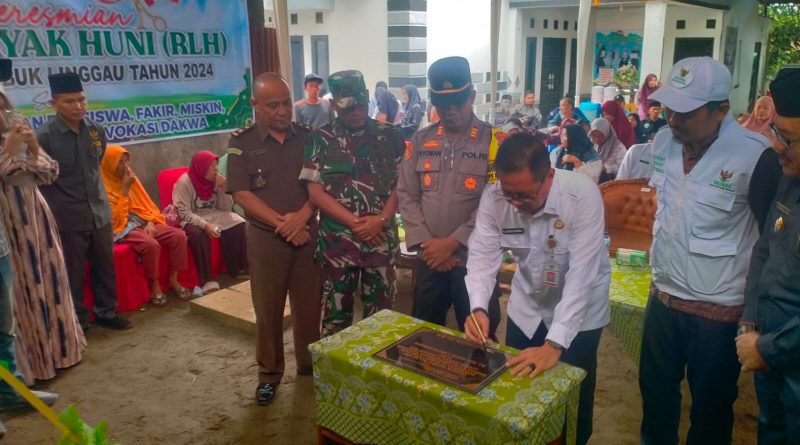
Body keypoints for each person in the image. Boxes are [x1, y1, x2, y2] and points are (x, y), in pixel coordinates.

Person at [639, 56, 783, 445]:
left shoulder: (757, 156)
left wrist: (752, 315)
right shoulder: (665, 142)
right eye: (669, 107)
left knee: (710, 412)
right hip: (662, 300)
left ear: (721, 111)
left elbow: (769, 243)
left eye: (685, 111)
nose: (672, 118)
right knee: (655, 402)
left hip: (717, 315)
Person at [465, 132, 610, 445]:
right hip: (527, 306)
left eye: (526, 196)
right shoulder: (495, 198)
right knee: (517, 394)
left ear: (550, 177)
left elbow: (582, 276)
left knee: (571, 401)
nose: (516, 203)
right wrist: (478, 308)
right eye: (510, 194)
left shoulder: (582, 196)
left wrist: (555, 345)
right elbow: (481, 256)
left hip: (580, 317)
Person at [227, 72, 321, 406]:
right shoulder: (241, 142)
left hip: (307, 234)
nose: (282, 111)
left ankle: (309, 364)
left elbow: (319, 187)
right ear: (255, 106)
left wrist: (301, 218)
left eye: (285, 103)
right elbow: (241, 193)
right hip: (267, 240)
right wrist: (283, 224)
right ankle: (269, 375)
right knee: (267, 310)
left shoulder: (308, 137)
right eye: (273, 105)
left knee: (309, 306)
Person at [397, 56, 503, 338]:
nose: (450, 111)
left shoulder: (494, 142)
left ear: (472, 96)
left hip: (474, 260)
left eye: (458, 102)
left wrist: (453, 243)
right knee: (423, 334)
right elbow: (406, 194)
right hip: (430, 258)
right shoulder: (420, 141)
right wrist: (429, 246)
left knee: (481, 339)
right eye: (443, 105)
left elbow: (496, 202)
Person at [300, 70, 404, 337]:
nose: (355, 112)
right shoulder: (319, 139)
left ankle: (377, 376)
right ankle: (335, 377)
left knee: (382, 319)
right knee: (336, 319)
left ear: (367, 97)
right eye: (347, 108)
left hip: (380, 240)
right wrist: (356, 224)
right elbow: (315, 192)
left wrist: (380, 220)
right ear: (334, 105)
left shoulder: (390, 135)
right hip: (338, 246)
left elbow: (402, 186)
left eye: (359, 104)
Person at [0, 91, 86, 383]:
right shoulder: (9, 145)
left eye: (3, 108)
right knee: (22, 295)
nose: (2, 116)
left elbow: (51, 172)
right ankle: (31, 368)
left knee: (51, 283)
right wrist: (10, 154)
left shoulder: (17, 137)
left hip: (37, 219)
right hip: (8, 228)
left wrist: (33, 148)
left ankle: (61, 352)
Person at [36, 72, 130, 332]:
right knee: (73, 272)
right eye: (69, 102)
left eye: (81, 100)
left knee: (105, 267)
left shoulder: (96, 130)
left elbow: (96, 164)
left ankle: (106, 312)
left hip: (99, 212)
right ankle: (77, 320)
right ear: (54, 103)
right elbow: (42, 178)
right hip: (68, 217)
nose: (78, 106)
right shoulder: (44, 137)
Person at [737, 65, 800, 445]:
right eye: (776, 131)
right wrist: (749, 321)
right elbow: (764, 249)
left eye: (788, 138)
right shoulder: (788, 179)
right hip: (767, 355)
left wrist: (767, 348)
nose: (775, 145)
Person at [100, 145, 191, 306]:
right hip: (123, 227)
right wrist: (125, 189)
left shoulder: (131, 179)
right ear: (109, 165)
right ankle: (155, 284)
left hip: (143, 220)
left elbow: (149, 206)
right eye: (120, 163)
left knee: (179, 236)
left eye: (127, 162)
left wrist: (151, 222)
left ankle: (174, 278)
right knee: (151, 245)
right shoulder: (102, 186)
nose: (126, 167)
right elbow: (114, 220)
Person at [172, 151, 248, 294]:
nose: (216, 170)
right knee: (198, 234)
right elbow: (184, 213)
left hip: (213, 214)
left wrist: (224, 188)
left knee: (238, 222)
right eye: (212, 166)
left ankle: (238, 268)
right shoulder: (184, 183)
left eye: (216, 165)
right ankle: (206, 279)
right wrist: (205, 225)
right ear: (201, 168)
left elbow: (225, 208)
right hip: (191, 217)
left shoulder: (217, 180)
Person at [589, 118, 627, 183]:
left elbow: (623, 168)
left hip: (613, 183)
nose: (597, 139)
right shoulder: (593, 145)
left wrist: (606, 168)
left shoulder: (619, 147)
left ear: (607, 133)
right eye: (594, 135)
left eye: (601, 136)